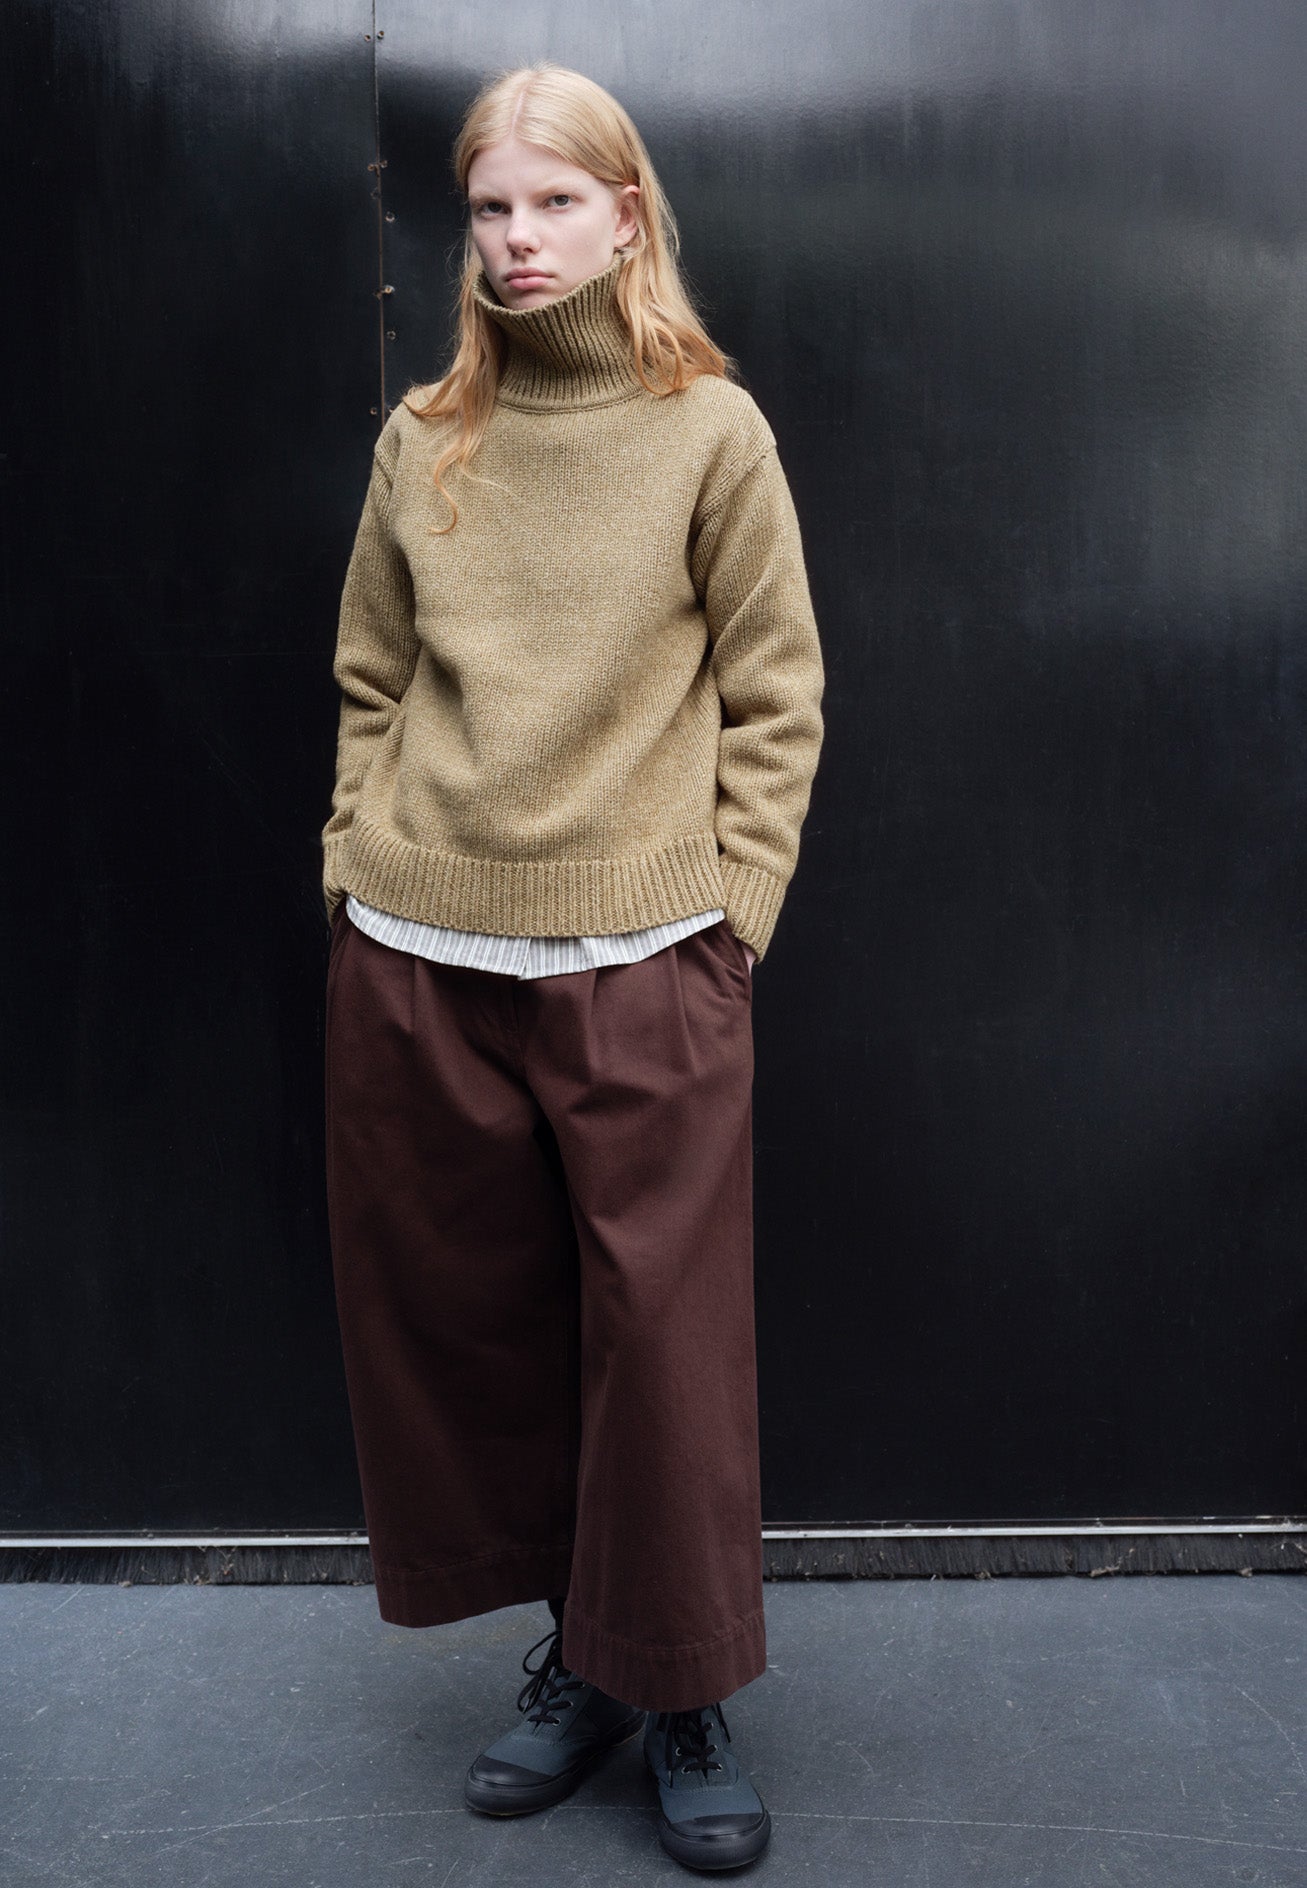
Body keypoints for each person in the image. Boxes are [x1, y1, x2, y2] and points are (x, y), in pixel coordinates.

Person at [321, 60, 824, 1873]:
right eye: (490, 207)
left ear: (627, 214)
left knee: (663, 1352)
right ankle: (587, 1665)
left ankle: (682, 1686)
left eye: (555, 201)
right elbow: (373, 676)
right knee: (485, 1332)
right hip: (420, 948)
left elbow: (777, 695)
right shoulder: (424, 437)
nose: (518, 239)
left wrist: (733, 914)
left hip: (642, 956)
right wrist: (353, 862)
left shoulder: (711, 433)